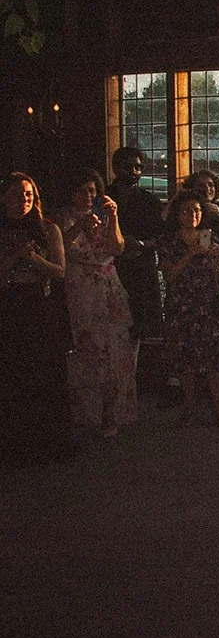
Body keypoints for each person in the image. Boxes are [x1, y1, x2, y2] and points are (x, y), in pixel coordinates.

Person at [54, 168, 138, 438]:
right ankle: (85, 413)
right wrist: (78, 226)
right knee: (87, 349)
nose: (87, 196)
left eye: (92, 190)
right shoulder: (62, 217)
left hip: (108, 285)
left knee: (114, 349)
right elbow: (60, 249)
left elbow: (117, 248)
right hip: (80, 287)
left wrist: (113, 218)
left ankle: (112, 413)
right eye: (82, 191)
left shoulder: (105, 214)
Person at [1, 171, 69, 449]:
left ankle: (44, 437)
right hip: (8, 305)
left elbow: (60, 271)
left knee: (41, 370)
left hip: (38, 306)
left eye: (28, 195)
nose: (23, 201)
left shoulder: (47, 229)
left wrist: (34, 260)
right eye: (17, 195)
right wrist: (17, 256)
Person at [158, 191, 219, 426]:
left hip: (209, 306)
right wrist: (190, 254)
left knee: (214, 358)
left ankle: (218, 406)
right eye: (187, 210)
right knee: (184, 358)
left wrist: (218, 261)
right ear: (178, 214)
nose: (193, 215)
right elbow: (169, 276)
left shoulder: (210, 239)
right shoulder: (169, 242)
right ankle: (189, 406)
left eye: (198, 211)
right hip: (182, 306)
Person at [106, 146, 165, 344]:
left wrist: (139, 244)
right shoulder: (105, 198)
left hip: (141, 271)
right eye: (128, 166)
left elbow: (161, 236)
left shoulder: (150, 201)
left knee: (140, 330)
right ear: (115, 167)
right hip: (112, 269)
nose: (134, 171)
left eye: (138, 168)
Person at [182, 170, 219, 336]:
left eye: (211, 185)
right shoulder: (186, 212)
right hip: (193, 273)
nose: (207, 188)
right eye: (201, 185)